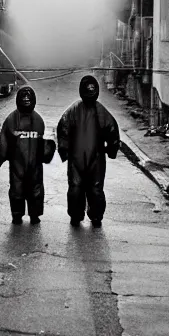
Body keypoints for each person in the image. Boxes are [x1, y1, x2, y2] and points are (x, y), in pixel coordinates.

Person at [57, 75, 120, 228]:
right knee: (78, 189)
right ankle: (80, 215)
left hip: (92, 158)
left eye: (92, 88)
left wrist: (112, 148)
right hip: (83, 158)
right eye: (89, 88)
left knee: (92, 189)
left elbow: (112, 131)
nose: (91, 91)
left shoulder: (89, 110)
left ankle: (93, 216)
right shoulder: (82, 110)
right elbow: (63, 128)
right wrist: (111, 149)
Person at [0, 86, 55, 225]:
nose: (26, 100)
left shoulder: (38, 120)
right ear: (18, 100)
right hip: (17, 163)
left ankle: (35, 215)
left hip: (35, 164)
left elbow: (45, 141)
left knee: (36, 190)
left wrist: (47, 154)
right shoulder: (11, 119)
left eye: (29, 97)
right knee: (17, 190)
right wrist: (1, 156)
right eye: (23, 97)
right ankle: (17, 215)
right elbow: (4, 139)